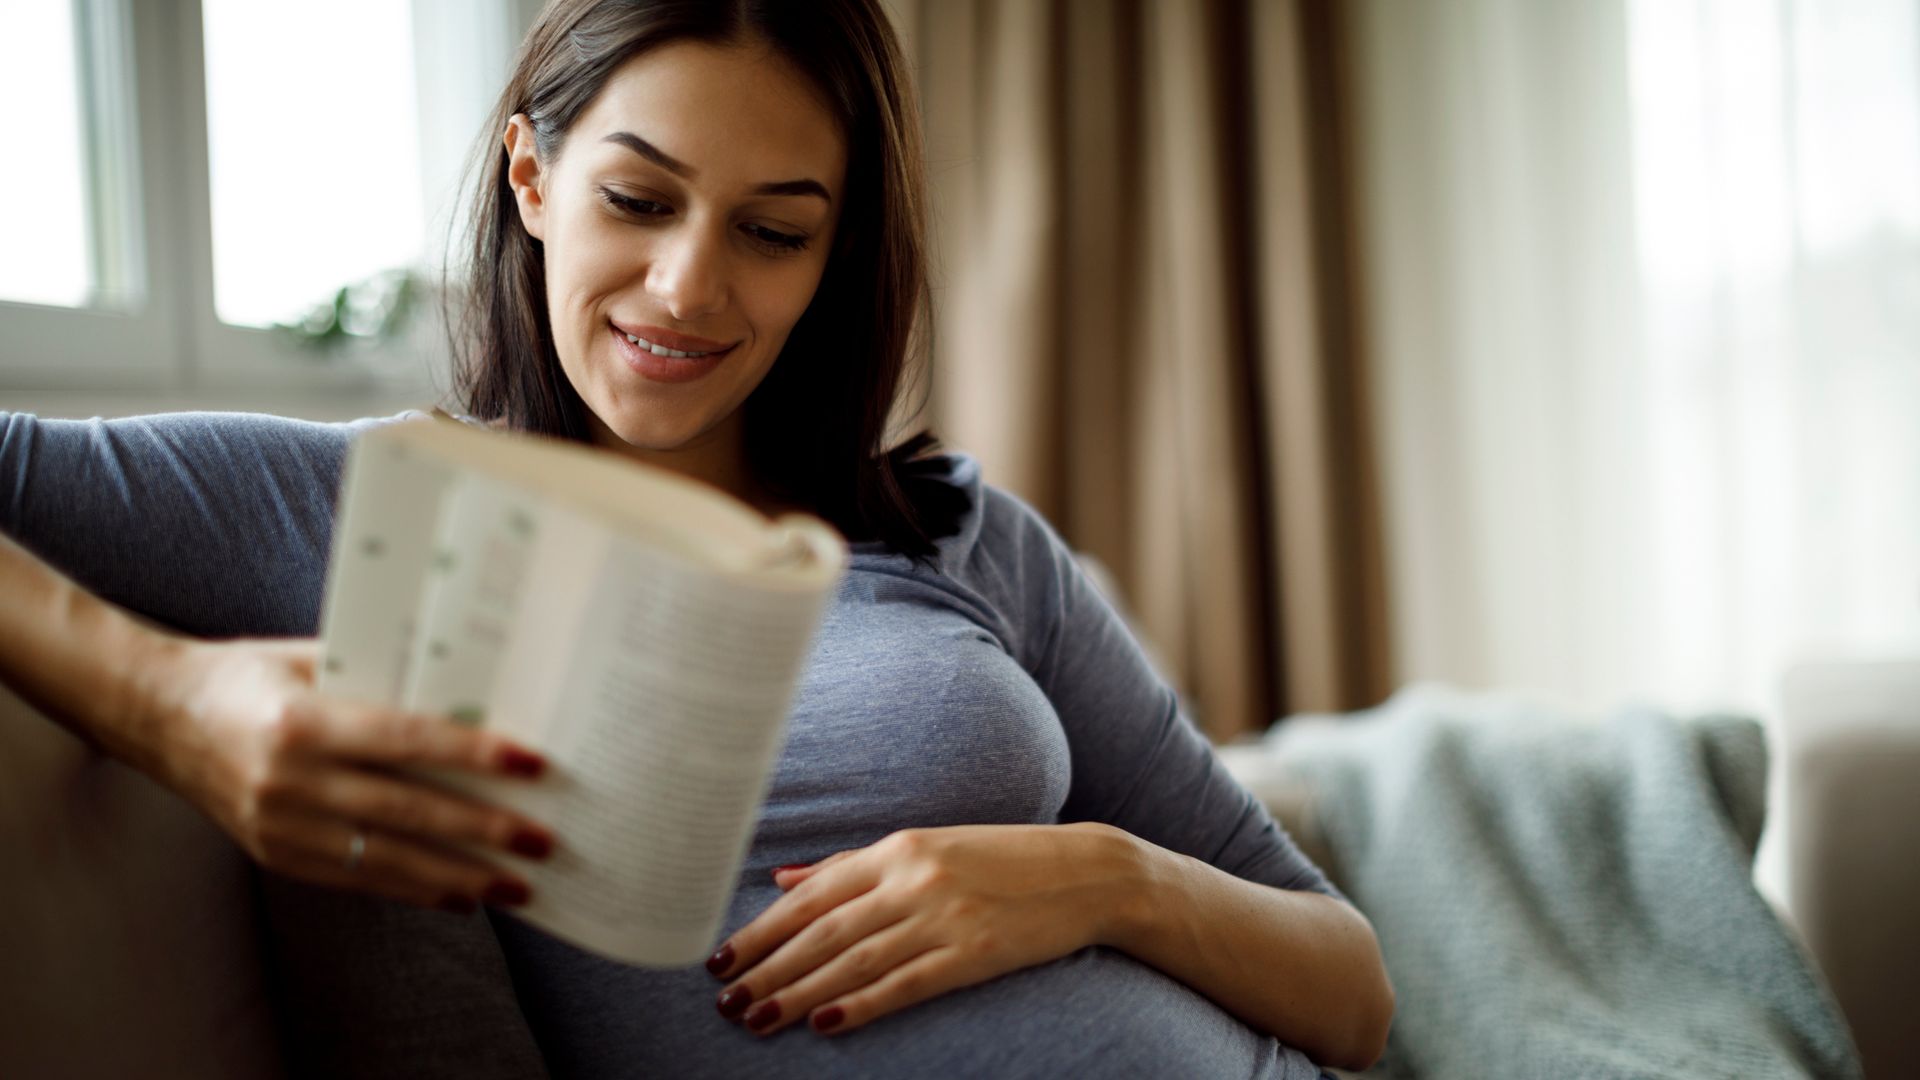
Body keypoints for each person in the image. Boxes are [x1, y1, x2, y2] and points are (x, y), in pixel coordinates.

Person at [0, 1, 1392, 1076]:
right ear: (532, 178)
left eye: (773, 231)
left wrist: (1100, 879)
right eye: (639, 199)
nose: (687, 286)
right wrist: (173, 705)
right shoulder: (364, 511)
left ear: (831, 258)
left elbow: (1353, 986)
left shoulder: (963, 539)